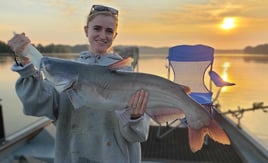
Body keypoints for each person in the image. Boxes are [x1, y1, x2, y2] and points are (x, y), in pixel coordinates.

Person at [8, 4, 150, 163]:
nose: (103, 35)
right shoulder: (64, 74)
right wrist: (25, 62)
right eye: (97, 28)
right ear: (86, 30)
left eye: (109, 31)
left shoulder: (128, 77)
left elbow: (137, 135)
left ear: (115, 36)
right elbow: (36, 104)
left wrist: (136, 117)